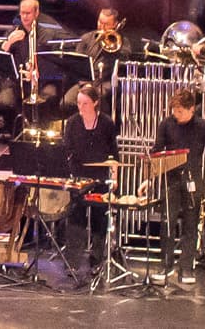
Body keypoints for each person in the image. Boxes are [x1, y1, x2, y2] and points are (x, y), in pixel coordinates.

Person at [146, 88, 205, 285]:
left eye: (180, 111)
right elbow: (157, 151)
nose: (176, 114)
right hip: (171, 180)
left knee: (191, 225)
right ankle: (165, 266)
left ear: (192, 109)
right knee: (167, 222)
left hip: (193, 179)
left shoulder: (203, 126)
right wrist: (148, 177)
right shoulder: (166, 124)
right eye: (174, 110)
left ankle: (186, 268)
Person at [60, 85, 118, 283]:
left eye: (85, 103)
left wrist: (114, 177)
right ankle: (72, 263)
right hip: (79, 177)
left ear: (95, 103)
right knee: (75, 219)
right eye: (79, 103)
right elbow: (66, 150)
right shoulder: (72, 123)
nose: (81, 107)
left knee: (100, 220)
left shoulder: (106, 123)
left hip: (100, 177)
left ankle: (96, 261)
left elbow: (113, 154)